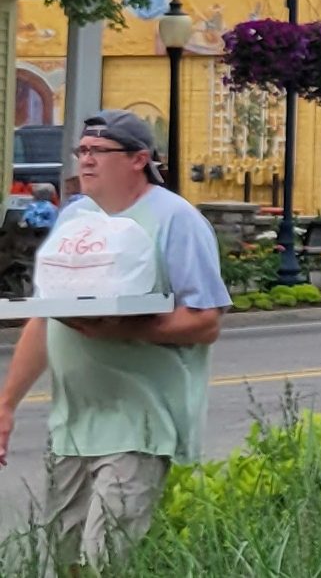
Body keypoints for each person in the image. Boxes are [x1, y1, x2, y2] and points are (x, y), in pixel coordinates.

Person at [0, 110, 229, 574]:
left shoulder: (175, 220)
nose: (85, 160)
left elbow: (206, 321)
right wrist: (6, 405)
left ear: (138, 159)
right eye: (82, 150)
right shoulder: (77, 217)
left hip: (140, 423)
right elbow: (45, 317)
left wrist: (123, 329)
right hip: (73, 424)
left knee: (104, 559)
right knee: (63, 561)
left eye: (98, 151)